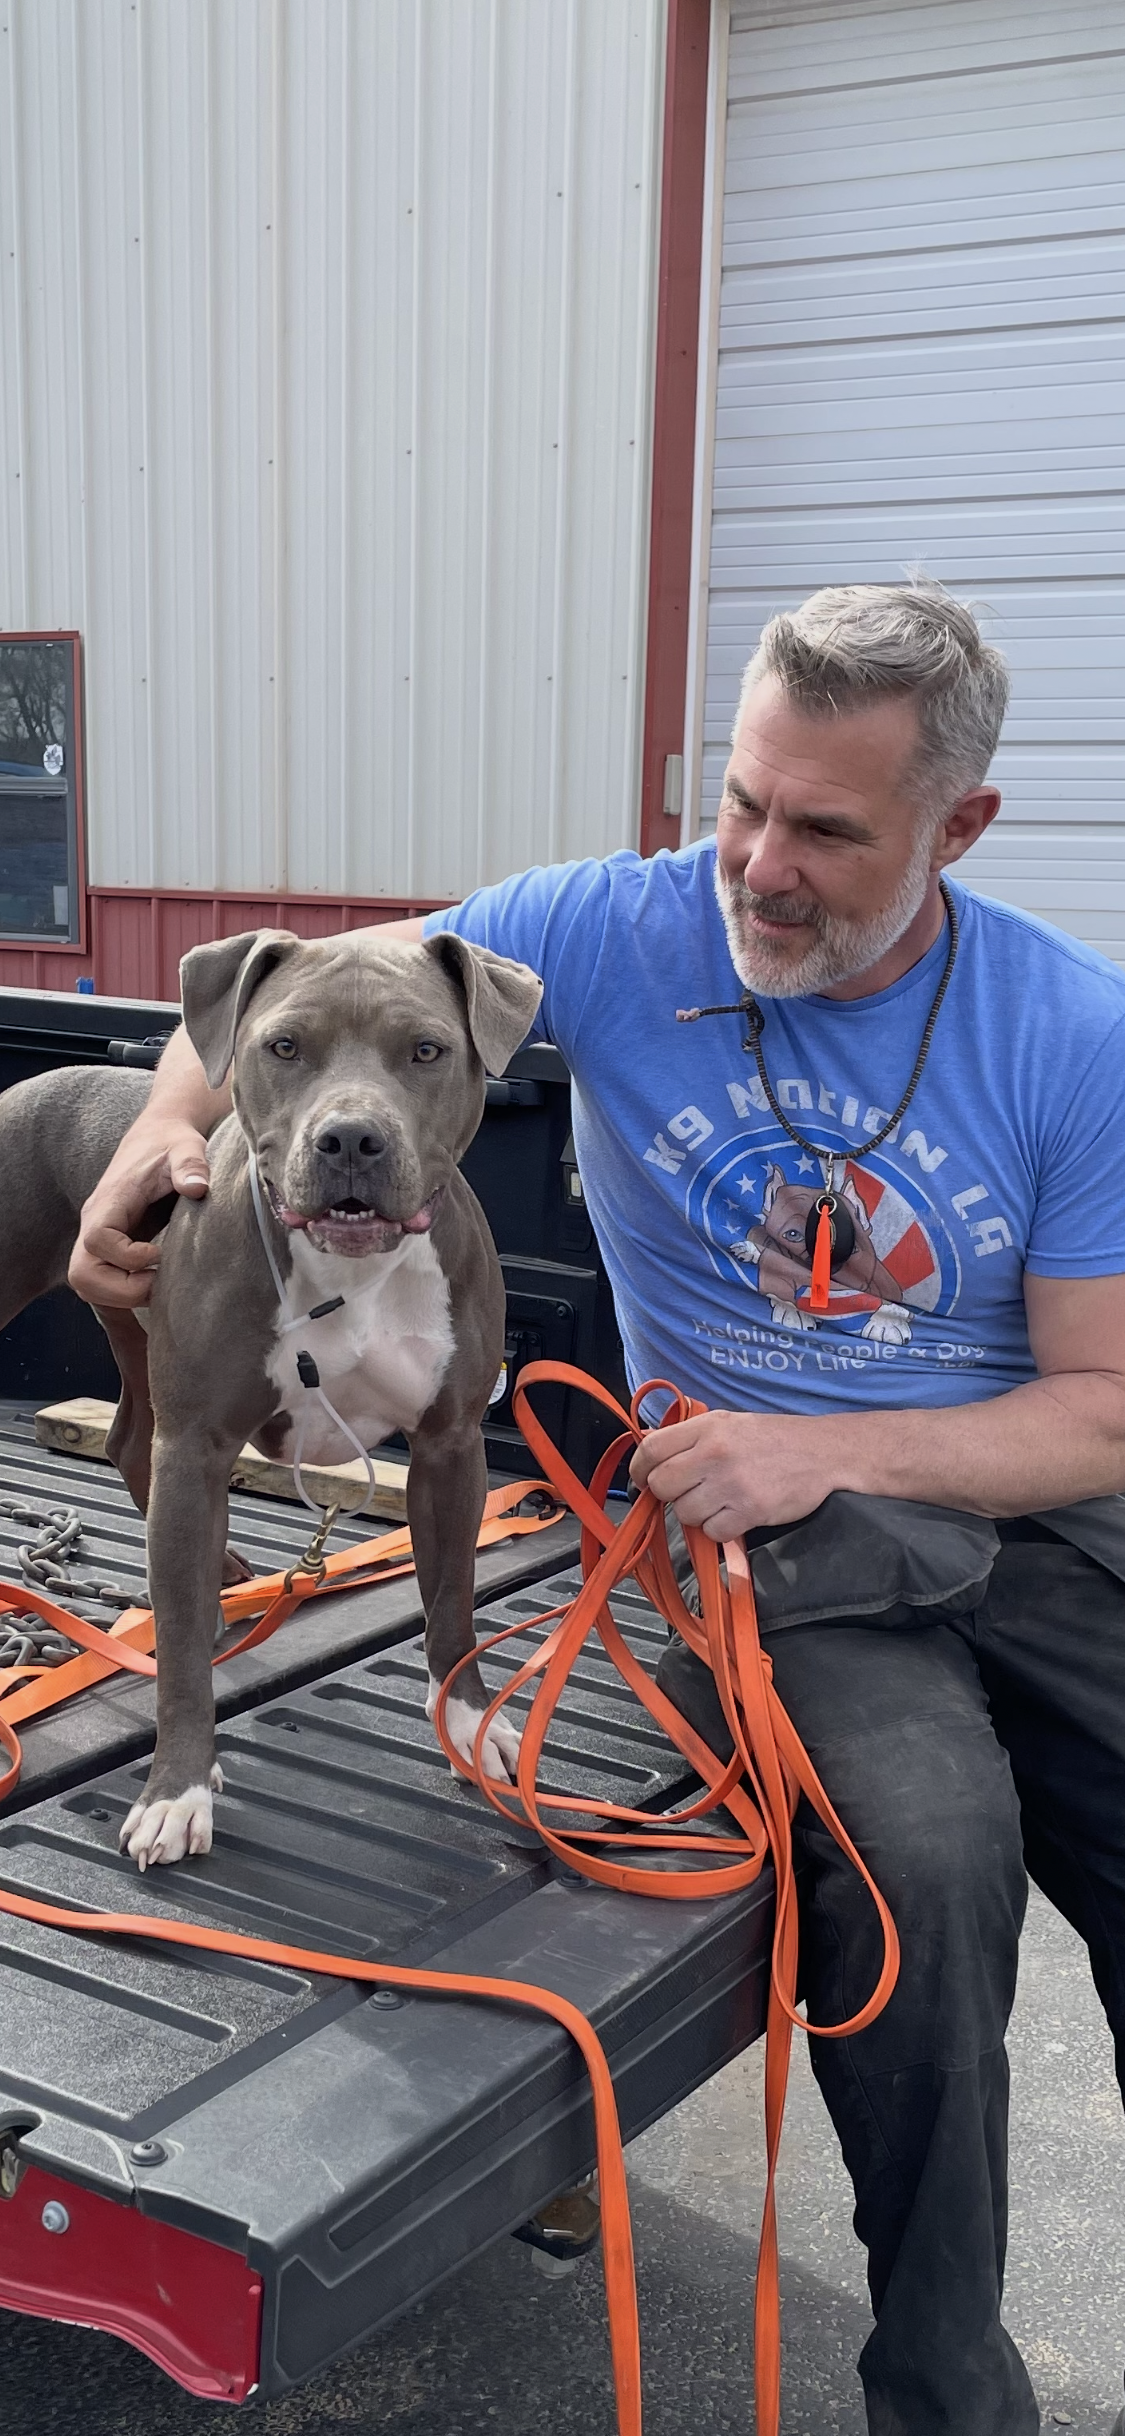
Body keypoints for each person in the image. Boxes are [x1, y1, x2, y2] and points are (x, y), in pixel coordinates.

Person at [72, 582, 1125, 2436]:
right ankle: (952, 2396)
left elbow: (1102, 1412)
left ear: (959, 828)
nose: (757, 867)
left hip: (1014, 1505)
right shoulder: (615, 928)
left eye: (825, 831)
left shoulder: (1070, 1031)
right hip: (783, 1551)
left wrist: (838, 1441)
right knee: (933, 1882)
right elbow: (314, 987)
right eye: (740, 800)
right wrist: (167, 1131)